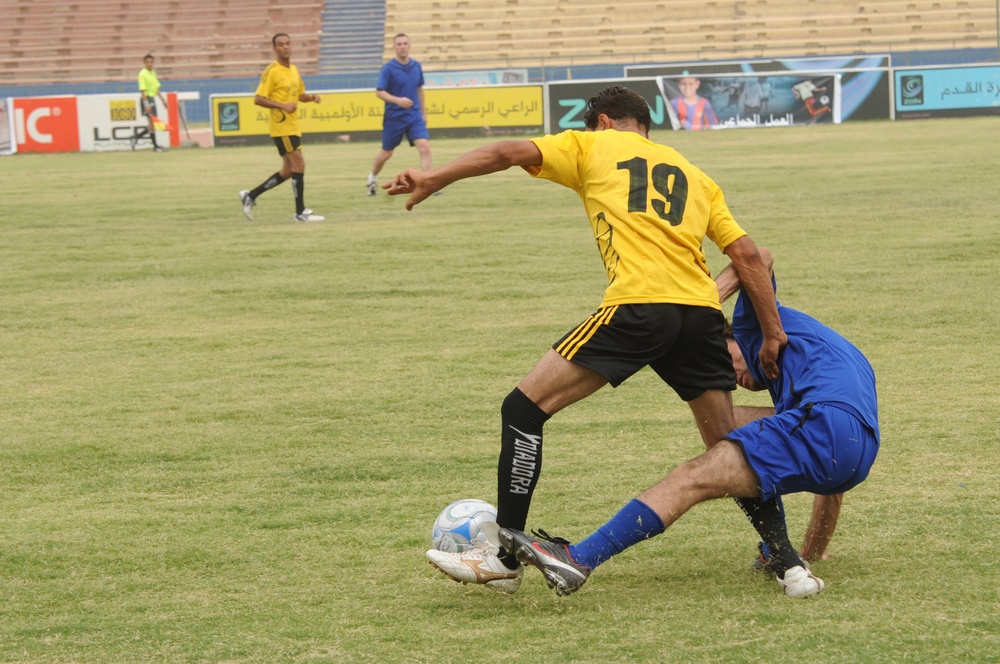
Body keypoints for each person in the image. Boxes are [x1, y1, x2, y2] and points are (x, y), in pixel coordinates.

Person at [387, 86, 786, 594]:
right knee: (725, 441)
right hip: (702, 314)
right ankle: (783, 554)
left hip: (641, 305)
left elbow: (508, 153)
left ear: (603, 122)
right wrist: (773, 334)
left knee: (524, 409)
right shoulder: (694, 173)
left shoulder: (592, 145)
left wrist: (433, 175)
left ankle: (504, 558)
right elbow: (750, 257)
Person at [497, 248, 880, 599]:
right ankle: (786, 559)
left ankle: (578, 559)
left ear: (727, 339)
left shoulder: (752, 326)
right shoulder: (816, 365)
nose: (731, 378)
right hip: (857, 450)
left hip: (822, 425)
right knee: (731, 438)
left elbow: (758, 257)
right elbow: (834, 477)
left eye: (725, 361)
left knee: (692, 477)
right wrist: (811, 552)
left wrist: (703, 300)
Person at [238, 33, 324, 223]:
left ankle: (251, 196)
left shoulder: (293, 69)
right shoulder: (272, 71)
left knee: (287, 171)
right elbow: (258, 98)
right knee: (299, 165)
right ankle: (300, 212)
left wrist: (310, 98)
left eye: (287, 44)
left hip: (293, 126)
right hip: (281, 126)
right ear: (275, 48)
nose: (285, 47)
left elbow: (299, 94)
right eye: (280, 45)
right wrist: (284, 106)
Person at [366, 34, 433, 196]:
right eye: (399, 44)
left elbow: (420, 89)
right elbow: (380, 92)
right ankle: (372, 178)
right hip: (394, 117)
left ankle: (431, 182)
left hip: (414, 115)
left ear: (409, 46)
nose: (402, 46)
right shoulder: (389, 68)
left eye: (405, 43)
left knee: (424, 146)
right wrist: (398, 100)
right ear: (394, 47)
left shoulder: (416, 66)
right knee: (387, 153)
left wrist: (423, 112)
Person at [135, 54, 169, 152]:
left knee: (152, 124)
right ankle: (155, 147)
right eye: (147, 62)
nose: (150, 64)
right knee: (152, 123)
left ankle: (136, 137)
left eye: (151, 62)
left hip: (152, 99)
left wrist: (163, 100)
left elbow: (156, 88)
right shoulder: (142, 74)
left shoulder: (153, 73)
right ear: (144, 63)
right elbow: (142, 90)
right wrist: (146, 104)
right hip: (146, 99)